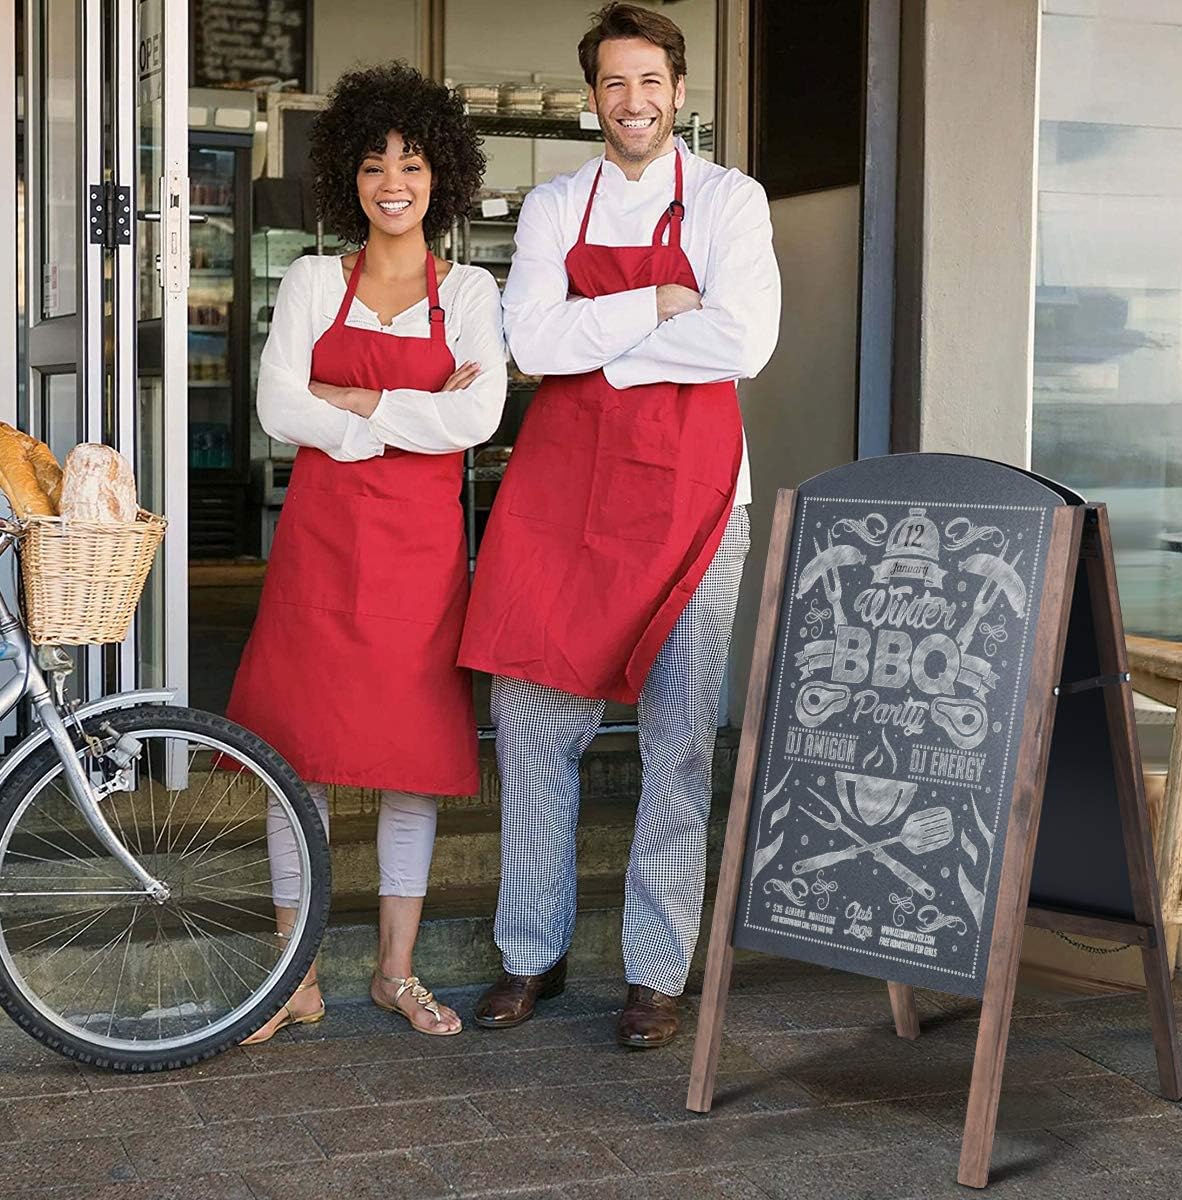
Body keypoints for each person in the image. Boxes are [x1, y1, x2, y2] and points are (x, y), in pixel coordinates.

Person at [459, 3, 780, 1048]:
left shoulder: (732, 201)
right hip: (566, 499)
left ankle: (654, 973)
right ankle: (530, 956)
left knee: (679, 741)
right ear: (592, 96)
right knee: (532, 725)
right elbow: (533, 344)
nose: (632, 101)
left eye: (650, 82)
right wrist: (657, 309)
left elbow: (749, 340)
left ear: (679, 92)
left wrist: (606, 349)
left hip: (693, 501)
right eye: (613, 83)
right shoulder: (556, 203)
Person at [227, 61, 505, 1042]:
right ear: (349, 172)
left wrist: (357, 404)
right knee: (293, 756)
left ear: (443, 177)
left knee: (411, 762)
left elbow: (480, 413)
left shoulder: (468, 290)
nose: (394, 179)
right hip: (319, 546)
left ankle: (395, 971)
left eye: (414, 161)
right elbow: (275, 407)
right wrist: (406, 416)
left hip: (420, 559)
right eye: (377, 160)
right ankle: (293, 979)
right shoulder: (311, 279)